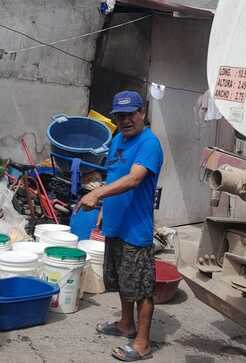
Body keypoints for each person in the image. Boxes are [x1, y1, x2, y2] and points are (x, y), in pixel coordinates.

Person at [77, 90, 164, 361]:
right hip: (115, 224)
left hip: (135, 229)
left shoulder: (149, 143)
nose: (125, 120)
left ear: (142, 113)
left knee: (141, 287)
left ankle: (142, 343)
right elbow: (114, 176)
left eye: (130, 114)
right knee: (124, 284)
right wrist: (104, 208)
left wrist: (96, 195)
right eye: (120, 116)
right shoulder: (117, 141)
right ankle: (126, 324)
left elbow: (134, 179)